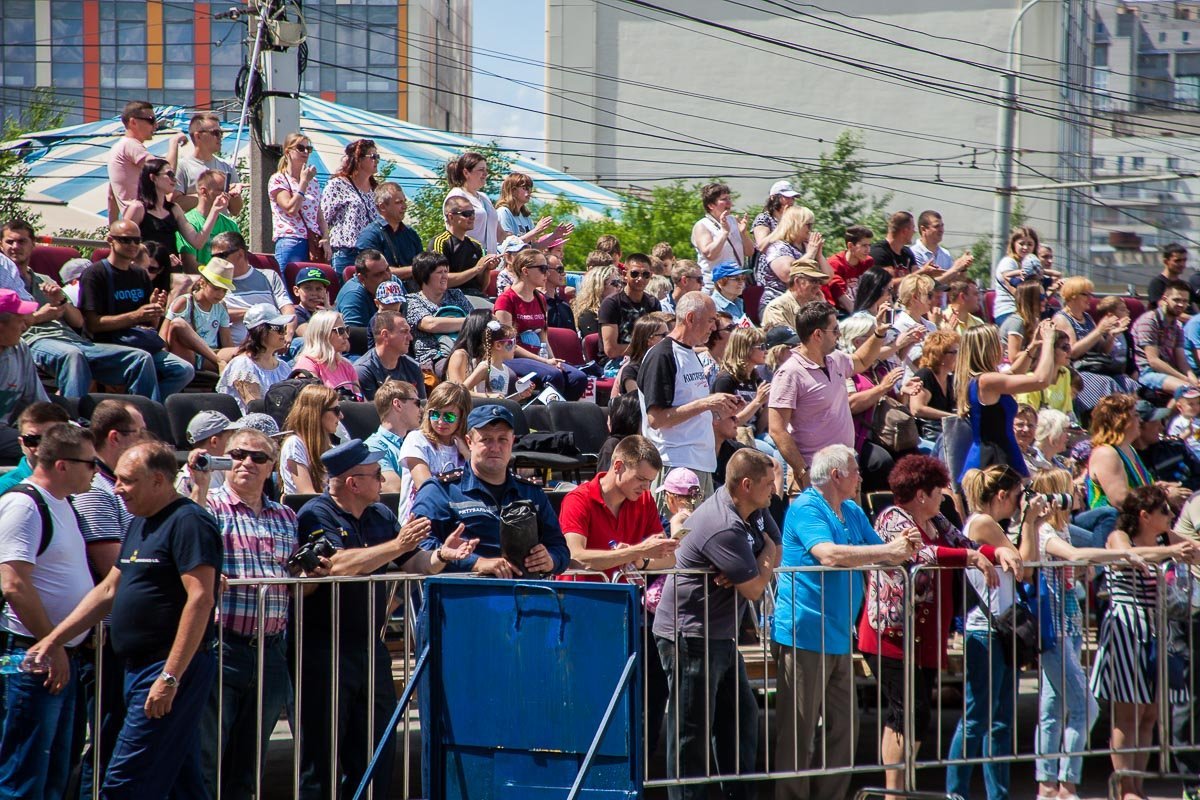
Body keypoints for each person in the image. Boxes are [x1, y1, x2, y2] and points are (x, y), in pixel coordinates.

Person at [27, 441, 222, 799]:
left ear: (160, 481)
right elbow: (108, 591)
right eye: (116, 479)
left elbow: (201, 598)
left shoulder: (190, 522)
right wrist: (54, 639)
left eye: (128, 481)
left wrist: (170, 675)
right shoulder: (140, 523)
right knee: (182, 781)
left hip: (167, 667)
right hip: (135, 666)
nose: (117, 488)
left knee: (124, 781)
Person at [294, 438, 474, 800]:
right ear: (353, 482)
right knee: (322, 756)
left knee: (377, 750)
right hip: (323, 648)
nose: (383, 480)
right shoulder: (316, 513)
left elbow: (415, 563)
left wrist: (441, 555)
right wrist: (398, 546)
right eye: (376, 474)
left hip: (370, 645)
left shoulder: (380, 515)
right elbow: (338, 565)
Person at [858, 455, 1021, 796]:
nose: (943, 497)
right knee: (904, 711)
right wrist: (971, 557)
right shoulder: (891, 517)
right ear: (921, 494)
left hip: (923, 635)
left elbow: (966, 545)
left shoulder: (937, 522)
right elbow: (921, 555)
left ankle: (901, 786)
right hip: (890, 633)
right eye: (937, 491)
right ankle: (893, 792)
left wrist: (995, 552)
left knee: (919, 715)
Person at [772, 444, 917, 800]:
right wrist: (890, 551)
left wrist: (906, 545)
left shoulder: (850, 510)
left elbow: (882, 553)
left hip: (837, 634)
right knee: (799, 735)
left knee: (844, 733)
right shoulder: (806, 506)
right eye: (855, 470)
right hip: (803, 634)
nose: (861, 476)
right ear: (836, 475)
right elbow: (829, 554)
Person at [653, 448, 780, 800]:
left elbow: (777, 545)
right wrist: (760, 561)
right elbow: (755, 588)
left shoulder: (756, 509)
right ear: (745, 485)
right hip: (690, 635)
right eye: (768, 483)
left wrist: (756, 561)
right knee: (690, 732)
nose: (775, 489)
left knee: (740, 719)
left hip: (719, 633)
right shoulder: (723, 524)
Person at [192, 427, 304, 800]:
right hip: (222, 646)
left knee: (249, 762)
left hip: (271, 651)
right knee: (207, 757)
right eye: (238, 454)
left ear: (272, 466)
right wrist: (200, 484)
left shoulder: (286, 515)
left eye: (258, 458)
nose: (247, 463)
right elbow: (188, 541)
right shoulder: (208, 506)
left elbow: (292, 573)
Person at [1022, 467, 1141, 800]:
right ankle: (1066, 783)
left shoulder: (1065, 529)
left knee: (1051, 707)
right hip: (1054, 630)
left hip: (1070, 629)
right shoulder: (1045, 531)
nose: (1076, 493)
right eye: (1069, 489)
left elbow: (1085, 555)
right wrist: (1123, 554)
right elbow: (1075, 556)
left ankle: (1047, 785)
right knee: (1086, 708)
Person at [556, 435, 677, 752]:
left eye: (650, 481)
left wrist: (638, 557)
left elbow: (668, 557)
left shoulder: (645, 501)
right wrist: (635, 553)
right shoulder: (578, 499)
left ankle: (642, 766)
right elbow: (576, 556)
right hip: (582, 613)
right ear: (618, 466)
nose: (645, 488)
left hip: (626, 613)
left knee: (652, 689)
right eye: (641, 479)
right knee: (593, 698)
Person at [0, 424, 100, 799]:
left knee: (56, 767)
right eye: (90, 464)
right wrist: (52, 643)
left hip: (58, 654)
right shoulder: (24, 504)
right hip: (30, 653)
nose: (96, 470)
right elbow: (14, 584)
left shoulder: (63, 503)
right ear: (62, 464)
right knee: (25, 772)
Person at [1092, 484, 1200, 800]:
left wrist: (1181, 549)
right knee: (1128, 713)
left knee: (1150, 713)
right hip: (1127, 629)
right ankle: (1126, 787)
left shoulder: (1166, 540)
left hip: (1156, 629)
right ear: (1144, 515)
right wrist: (1170, 552)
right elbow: (1130, 555)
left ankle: (1137, 785)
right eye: (1164, 511)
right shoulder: (1119, 537)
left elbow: (1193, 547)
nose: (1170, 516)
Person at [946, 464, 1041, 800]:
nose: (1019, 503)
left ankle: (996, 794)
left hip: (999, 631)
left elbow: (1023, 566)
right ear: (1001, 495)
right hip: (985, 632)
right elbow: (1024, 567)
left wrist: (1032, 523)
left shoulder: (993, 525)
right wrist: (1029, 522)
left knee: (1000, 722)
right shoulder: (983, 523)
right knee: (976, 720)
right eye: (1017, 497)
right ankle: (955, 793)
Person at [0, 219, 162, 401]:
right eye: (10, 241)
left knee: (141, 358)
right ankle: (75, 419)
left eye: (22, 241)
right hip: (36, 340)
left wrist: (60, 300)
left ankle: (147, 417)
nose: (15, 247)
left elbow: (78, 321)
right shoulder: (4, 282)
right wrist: (41, 316)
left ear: (33, 244)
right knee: (73, 356)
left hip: (73, 340)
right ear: (1, 245)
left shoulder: (45, 279)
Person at [71, 400, 144, 797]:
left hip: (123, 635)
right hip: (107, 639)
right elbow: (114, 565)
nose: (146, 442)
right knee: (107, 741)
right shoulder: (97, 491)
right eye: (140, 434)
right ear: (116, 438)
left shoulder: (112, 486)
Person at [412, 404, 570, 577]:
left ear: (512, 442)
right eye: (486, 439)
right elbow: (419, 548)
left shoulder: (531, 493)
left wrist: (550, 560)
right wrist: (475, 562)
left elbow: (559, 547)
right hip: (464, 595)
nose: (495, 447)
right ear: (469, 442)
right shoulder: (440, 491)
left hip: (525, 595)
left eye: (502, 439)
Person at [768, 300, 893, 492]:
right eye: (834, 330)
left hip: (847, 470)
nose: (839, 335)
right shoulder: (789, 373)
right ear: (817, 334)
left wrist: (879, 333)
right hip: (816, 477)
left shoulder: (835, 359)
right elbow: (777, 430)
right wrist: (803, 472)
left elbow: (861, 360)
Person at [638, 292, 742, 505]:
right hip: (674, 465)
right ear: (691, 318)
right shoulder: (663, 355)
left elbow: (690, 408)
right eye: (711, 320)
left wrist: (721, 407)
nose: (714, 327)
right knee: (675, 535)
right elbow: (657, 419)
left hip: (700, 463)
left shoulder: (689, 353)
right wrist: (706, 403)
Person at [79, 221, 197, 400]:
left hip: (135, 342)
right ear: (110, 240)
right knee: (142, 359)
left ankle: (141, 406)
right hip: (104, 345)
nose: (133, 245)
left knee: (184, 370)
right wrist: (136, 316)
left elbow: (148, 324)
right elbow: (93, 325)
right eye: (126, 240)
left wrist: (154, 311)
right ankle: (147, 412)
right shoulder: (95, 274)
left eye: (137, 240)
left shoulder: (139, 274)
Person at [955, 321, 1058, 481]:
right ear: (987, 349)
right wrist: (1049, 342)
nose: (1002, 346)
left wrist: (1034, 345)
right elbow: (1041, 380)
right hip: (994, 459)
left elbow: (1015, 372)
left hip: (999, 453)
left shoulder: (983, 380)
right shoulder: (987, 381)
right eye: (998, 342)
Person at [492, 248, 588, 399]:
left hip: (539, 357)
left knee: (578, 378)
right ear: (525, 271)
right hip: (512, 359)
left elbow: (544, 337)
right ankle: (547, 417)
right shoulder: (506, 299)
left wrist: (552, 359)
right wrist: (544, 361)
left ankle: (563, 414)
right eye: (542, 269)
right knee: (553, 375)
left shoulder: (540, 298)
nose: (547, 273)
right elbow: (508, 344)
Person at [123, 158, 229, 279]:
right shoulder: (138, 208)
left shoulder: (174, 209)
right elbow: (122, 243)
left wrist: (215, 210)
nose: (175, 180)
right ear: (153, 178)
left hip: (169, 273)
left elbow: (198, 242)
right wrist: (154, 256)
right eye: (170, 174)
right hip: (145, 273)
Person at [1053, 276, 1136, 409]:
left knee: (1130, 384)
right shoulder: (1062, 319)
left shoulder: (1087, 318)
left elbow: (1103, 350)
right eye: (1086, 294)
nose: (1090, 298)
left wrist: (1112, 336)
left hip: (1096, 367)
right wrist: (1099, 331)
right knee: (1107, 383)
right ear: (1073, 295)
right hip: (1077, 369)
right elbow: (1072, 352)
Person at [397, 381, 470, 522]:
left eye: (449, 417)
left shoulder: (465, 447)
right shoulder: (416, 439)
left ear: (462, 417)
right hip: (419, 522)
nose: (441, 422)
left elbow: (480, 483)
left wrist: (467, 454)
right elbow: (427, 488)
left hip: (456, 521)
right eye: (435, 414)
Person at [210, 231, 299, 347]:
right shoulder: (215, 283)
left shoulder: (269, 276)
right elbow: (211, 313)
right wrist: (256, 313)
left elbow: (288, 310)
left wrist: (288, 333)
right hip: (240, 350)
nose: (215, 261)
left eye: (221, 256)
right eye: (213, 257)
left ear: (240, 254)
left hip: (276, 346)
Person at [107, 100, 186, 220]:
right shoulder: (131, 145)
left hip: (132, 222)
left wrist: (114, 227)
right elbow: (166, 172)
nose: (156, 125)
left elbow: (111, 195)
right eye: (151, 120)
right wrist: (174, 142)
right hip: (146, 221)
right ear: (133, 122)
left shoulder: (118, 147)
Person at [216, 304, 295, 413]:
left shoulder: (283, 367)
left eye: (285, 328)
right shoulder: (243, 366)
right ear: (261, 331)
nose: (285, 333)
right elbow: (256, 409)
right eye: (279, 328)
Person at [163, 256, 237, 372]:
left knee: (243, 353)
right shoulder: (184, 302)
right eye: (216, 288)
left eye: (224, 290)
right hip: (186, 355)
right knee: (179, 323)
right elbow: (163, 336)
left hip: (210, 356)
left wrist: (236, 359)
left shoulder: (221, 307)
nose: (220, 294)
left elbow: (227, 341)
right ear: (203, 283)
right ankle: (218, 362)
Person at [269, 132, 329, 267]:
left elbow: (318, 215)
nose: (305, 152)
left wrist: (325, 237)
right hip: (290, 239)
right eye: (300, 148)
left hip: (313, 242)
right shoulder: (279, 179)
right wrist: (303, 183)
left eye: (309, 149)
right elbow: (291, 209)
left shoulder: (312, 181)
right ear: (287, 152)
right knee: (289, 284)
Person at [320, 139, 381, 271]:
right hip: (346, 253)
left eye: (378, 157)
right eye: (373, 157)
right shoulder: (337, 185)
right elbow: (323, 218)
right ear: (358, 159)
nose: (377, 160)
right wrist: (325, 239)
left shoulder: (375, 189)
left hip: (370, 254)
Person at [405, 251, 473, 369]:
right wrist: (471, 322)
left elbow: (476, 319)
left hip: (466, 351)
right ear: (424, 275)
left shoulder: (456, 295)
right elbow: (430, 324)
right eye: (439, 272)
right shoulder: (413, 301)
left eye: (446, 271)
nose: (445, 276)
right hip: (435, 357)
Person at [1132, 277, 1199, 394]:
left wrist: (1192, 377)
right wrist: (1185, 379)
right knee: (1189, 390)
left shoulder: (1177, 326)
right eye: (1176, 300)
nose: (1181, 304)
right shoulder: (1149, 321)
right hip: (1147, 372)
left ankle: (1172, 411)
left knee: (1194, 388)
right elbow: (1154, 361)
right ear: (1165, 299)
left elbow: (1181, 360)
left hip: (1169, 371)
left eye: (1184, 301)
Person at [756, 206, 828, 313]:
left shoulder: (806, 247)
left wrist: (819, 254)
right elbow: (787, 275)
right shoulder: (778, 247)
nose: (811, 229)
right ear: (795, 224)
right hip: (778, 306)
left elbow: (827, 277)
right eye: (808, 225)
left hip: (804, 304)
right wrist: (810, 254)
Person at [599, 252, 662, 368]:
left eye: (646, 275)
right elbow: (611, 350)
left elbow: (659, 337)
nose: (640, 278)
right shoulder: (611, 304)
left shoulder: (653, 303)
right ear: (624, 274)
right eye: (634, 274)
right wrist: (646, 347)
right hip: (615, 364)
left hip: (647, 360)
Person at [429, 195, 500, 298]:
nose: (472, 217)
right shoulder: (440, 242)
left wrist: (486, 270)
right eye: (466, 214)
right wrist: (477, 269)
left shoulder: (476, 245)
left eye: (473, 213)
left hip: (476, 297)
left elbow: (481, 287)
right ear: (451, 217)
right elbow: (440, 281)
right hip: (452, 298)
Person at [174, 112, 242, 215]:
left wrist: (234, 195)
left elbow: (236, 210)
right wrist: (210, 196)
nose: (220, 137)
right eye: (215, 133)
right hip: (195, 229)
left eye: (221, 133)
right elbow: (174, 201)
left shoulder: (226, 167)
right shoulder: (182, 166)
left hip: (221, 229)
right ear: (198, 136)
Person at [362, 379, 423, 494]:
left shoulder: (413, 443)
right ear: (398, 405)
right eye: (417, 403)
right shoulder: (373, 448)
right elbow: (394, 490)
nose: (421, 409)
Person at [280, 384, 341, 496]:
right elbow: (307, 494)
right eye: (336, 410)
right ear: (317, 413)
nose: (341, 416)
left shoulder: (329, 447)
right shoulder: (294, 445)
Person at [354, 182, 422, 281]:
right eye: (399, 202)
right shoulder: (369, 235)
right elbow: (375, 273)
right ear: (382, 207)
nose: (404, 206)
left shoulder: (410, 233)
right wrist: (416, 269)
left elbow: (422, 265)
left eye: (404, 201)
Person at [175, 169, 241, 271]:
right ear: (204, 191)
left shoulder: (231, 224)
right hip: (200, 284)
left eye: (227, 190)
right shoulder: (187, 223)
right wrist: (217, 279)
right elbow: (190, 265)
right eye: (221, 190)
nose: (226, 194)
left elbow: (240, 261)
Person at [690, 182, 753, 288]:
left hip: (737, 284)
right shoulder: (702, 225)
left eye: (729, 198)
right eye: (724, 199)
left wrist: (743, 233)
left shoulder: (733, 221)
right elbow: (710, 254)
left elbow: (750, 252)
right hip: (715, 286)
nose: (729, 203)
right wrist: (724, 233)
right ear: (710, 205)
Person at [0, 402, 70, 495]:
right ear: (21, 443)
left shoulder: (78, 481)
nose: (42, 448)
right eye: (32, 440)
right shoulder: (7, 488)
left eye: (52, 439)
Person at [293, 310, 364, 400]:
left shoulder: (347, 366)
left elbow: (361, 401)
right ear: (323, 334)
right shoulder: (307, 365)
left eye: (346, 330)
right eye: (340, 331)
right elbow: (312, 404)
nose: (346, 336)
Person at [354, 311, 423, 402]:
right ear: (385, 335)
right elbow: (373, 413)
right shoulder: (364, 371)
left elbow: (422, 406)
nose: (410, 337)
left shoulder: (413, 366)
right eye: (404, 332)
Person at [714, 326, 770, 435]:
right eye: (762, 347)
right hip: (735, 436)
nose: (766, 351)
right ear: (746, 349)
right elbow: (724, 424)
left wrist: (768, 403)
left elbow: (759, 428)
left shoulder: (756, 379)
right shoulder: (726, 380)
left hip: (754, 435)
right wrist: (757, 402)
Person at [444, 151, 503, 255]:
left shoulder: (484, 197)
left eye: (486, 170)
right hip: (467, 259)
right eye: (481, 170)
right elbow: (454, 230)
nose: (485, 173)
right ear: (466, 172)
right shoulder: (457, 196)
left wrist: (520, 241)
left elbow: (499, 233)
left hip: (490, 261)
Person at [910, 330, 959, 450]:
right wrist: (952, 416)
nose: (959, 356)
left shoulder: (949, 378)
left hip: (946, 433)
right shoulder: (925, 375)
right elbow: (917, 409)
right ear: (940, 355)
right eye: (955, 352)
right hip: (928, 437)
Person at [337, 249, 403, 328]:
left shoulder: (393, 281)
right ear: (361, 278)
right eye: (378, 274)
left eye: (387, 269)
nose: (387, 276)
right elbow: (353, 334)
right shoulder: (352, 295)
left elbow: (408, 311)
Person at [890, 272, 939, 382]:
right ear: (915, 297)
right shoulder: (900, 325)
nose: (933, 300)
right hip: (912, 386)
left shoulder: (930, 325)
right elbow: (919, 361)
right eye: (929, 295)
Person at [760, 258, 830, 332]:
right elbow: (782, 340)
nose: (818, 286)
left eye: (819, 281)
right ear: (797, 281)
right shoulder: (777, 308)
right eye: (814, 281)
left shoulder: (814, 305)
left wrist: (823, 308)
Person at [991, 226, 1041, 327]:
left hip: (1027, 312)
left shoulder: (1031, 265)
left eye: (1030, 244)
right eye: (1021, 244)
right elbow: (1018, 293)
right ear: (1014, 244)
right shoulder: (1008, 262)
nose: (1025, 248)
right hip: (1009, 311)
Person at [909, 209, 973, 282]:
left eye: (942, 226)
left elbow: (957, 281)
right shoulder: (914, 253)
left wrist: (963, 267)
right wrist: (954, 269)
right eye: (936, 226)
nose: (941, 230)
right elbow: (925, 285)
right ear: (923, 229)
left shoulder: (945, 253)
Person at [826, 224, 874, 313]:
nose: (868, 250)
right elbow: (843, 299)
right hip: (842, 313)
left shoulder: (868, 262)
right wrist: (860, 319)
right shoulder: (835, 264)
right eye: (864, 245)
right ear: (850, 246)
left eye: (869, 245)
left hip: (863, 310)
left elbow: (872, 293)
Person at [999, 278, 1045, 364]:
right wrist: (1035, 347)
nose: (1045, 300)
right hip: (1007, 368)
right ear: (1030, 300)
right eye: (1041, 297)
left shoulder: (1035, 320)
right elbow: (1013, 357)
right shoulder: (1017, 322)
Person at [572, 263, 620, 340]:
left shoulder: (620, 309)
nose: (619, 287)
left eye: (619, 282)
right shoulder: (588, 315)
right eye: (615, 283)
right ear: (600, 287)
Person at [1148, 242, 1197, 312]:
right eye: (1177, 261)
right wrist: (1194, 320)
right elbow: (1165, 311)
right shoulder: (1157, 283)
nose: (1182, 264)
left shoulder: (1185, 285)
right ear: (1165, 261)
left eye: (1184, 260)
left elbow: (1195, 307)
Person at [750, 179, 798, 249]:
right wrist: (782, 225)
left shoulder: (793, 220)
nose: (791, 201)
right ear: (773, 197)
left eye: (793, 198)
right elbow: (761, 246)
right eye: (786, 198)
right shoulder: (764, 218)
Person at [869, 211, 918, 279]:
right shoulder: (878, 253)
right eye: (913, 227)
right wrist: (920, 272)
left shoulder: (907, 253)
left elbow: (915, 279)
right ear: (905, 231)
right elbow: (885, 284)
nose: (914, 231)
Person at [290, 266, 331, 335]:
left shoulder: (323, 311)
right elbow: (310, 337)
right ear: (296, 291)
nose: (314, 293)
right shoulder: (295, 314)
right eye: (308, 288)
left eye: (318, 289)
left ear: (324, 292)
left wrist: (328, 310)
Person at [542, 252, 575, 329]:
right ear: (545, 271)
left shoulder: (565, 307)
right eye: (559, 269)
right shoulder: (536, 303)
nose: (563, 273)